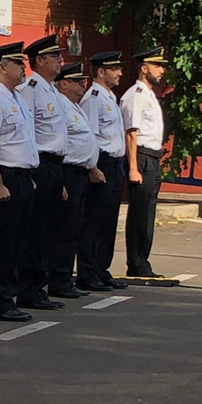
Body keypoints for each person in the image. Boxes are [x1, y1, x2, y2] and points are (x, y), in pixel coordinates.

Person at [0, 42, 38, 322]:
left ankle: (9, 297)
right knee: (2, 243)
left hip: (23, 177)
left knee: (18, 242)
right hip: (6, 178)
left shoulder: (17, 97)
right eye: (18, 64)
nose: (23, 68)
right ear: (2, 67)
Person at [17, 35, 76, 308]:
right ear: (39, 61)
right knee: (35, 232)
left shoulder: (50, 88)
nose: (60, 61)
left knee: (50, 229)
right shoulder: (31, 88)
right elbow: (27, 130)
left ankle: (40, 286)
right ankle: (29, 289)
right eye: (55, 57)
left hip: (54, 165)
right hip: (39, 163)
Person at [48, 63, 103, 297]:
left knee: (74, 228)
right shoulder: (60, 105)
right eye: (77, 81)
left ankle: (65, 277)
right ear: (63, 83)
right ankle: (58, 279)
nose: (83, 85)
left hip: (80, 172)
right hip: (67, 172)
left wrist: (92, 165)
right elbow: (60, 143)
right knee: (64, 229)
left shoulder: (73, 106)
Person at [77, 51, 128, 291]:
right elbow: (91, 136)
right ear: (100, 71)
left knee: (108, 221)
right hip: (101, 163)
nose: (120, 73)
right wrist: (93, 167)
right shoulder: (93, 98)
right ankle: (87, 272)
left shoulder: (109, 96)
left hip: (116, 164)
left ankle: (101, 269)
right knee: (94, 221)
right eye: (114, 68)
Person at [121, 47, 168, 278]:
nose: (162, 70)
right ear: (144, 68)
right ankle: (137, 264)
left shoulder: (149, 94)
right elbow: (131, 132)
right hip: (140, 157)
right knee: (140, 213)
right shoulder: (136, 94)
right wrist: (133, 167)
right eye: (157, 65)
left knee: (148, 212)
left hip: (152, 157)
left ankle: (142, 262)